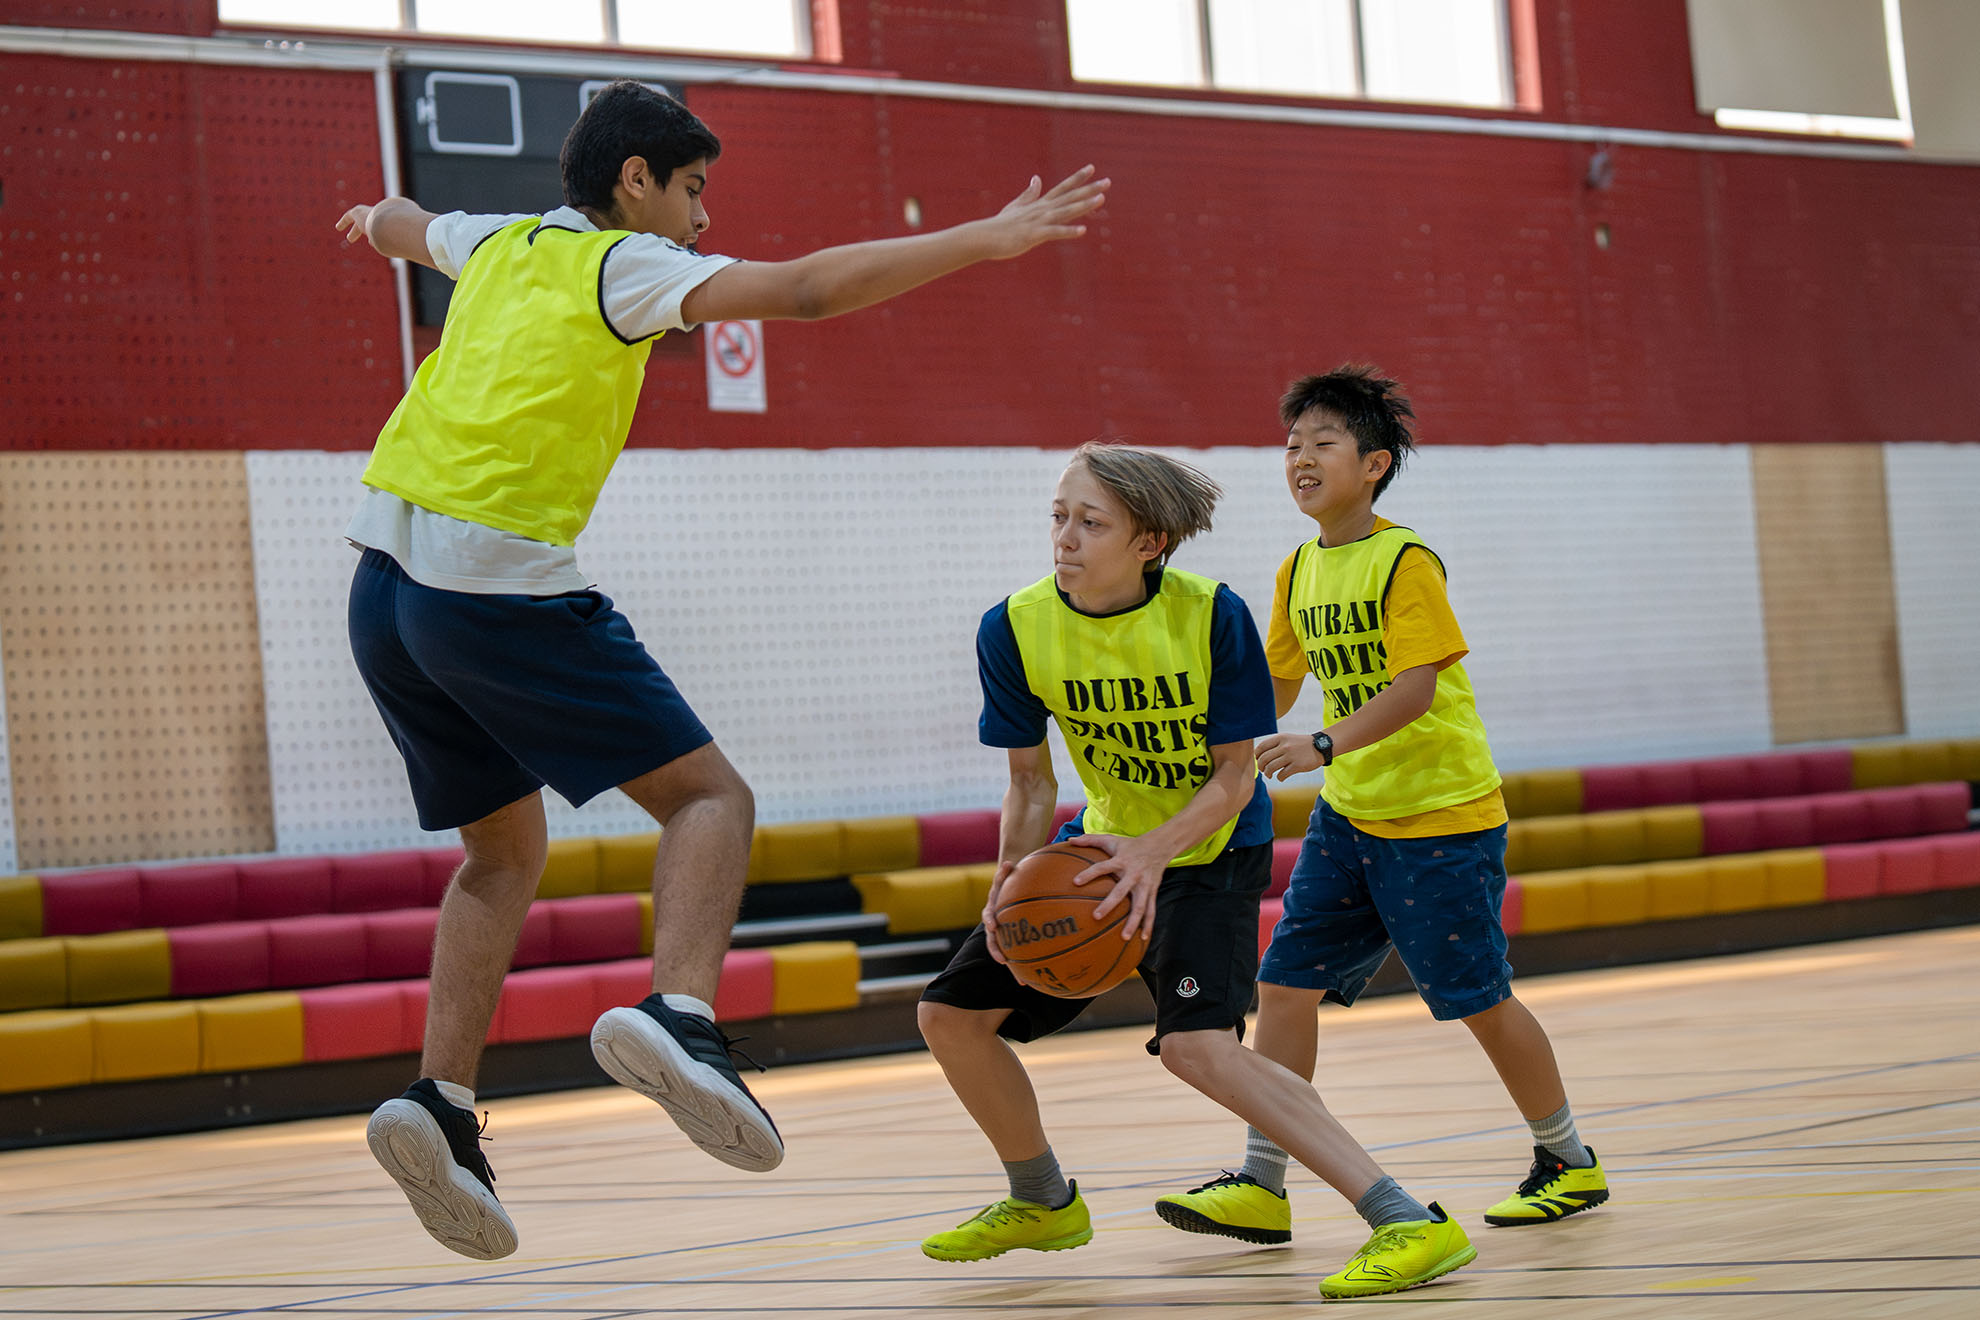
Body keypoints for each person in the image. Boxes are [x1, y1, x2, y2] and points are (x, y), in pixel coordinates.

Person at [333, 80, 1108, 1261]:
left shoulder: (497, 244)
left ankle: (438, 1101)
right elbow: (807, 290)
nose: (701, 217)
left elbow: (404, 222)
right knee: (711, 800)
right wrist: (986, 239)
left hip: (382, 593)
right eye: (691, 190)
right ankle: (680, 1014)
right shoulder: (623, 266)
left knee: (501, 852)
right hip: (489, 584)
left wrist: (370, 218)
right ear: (634, 180)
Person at [915, 442, 1476, 1301]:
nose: (1064, 537)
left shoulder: (1213, 615)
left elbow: (1235, 775)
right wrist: (1010, 874)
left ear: (1149, 543)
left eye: (1090, 523)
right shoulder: (1014, 626)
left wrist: (1155, 853)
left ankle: (1407, 1219)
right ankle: (1041, 1199)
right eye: (1059, 517)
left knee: (1197, 1048)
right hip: (1100, 850)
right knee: (951, 1017)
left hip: (1211, 849)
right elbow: (1030, 782)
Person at [1157, 366, 1610, 1251]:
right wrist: (1204, 745)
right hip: (1350, 818)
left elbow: (1414, 688)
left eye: (1322, 443)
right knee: (1283, 987)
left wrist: (1323, 745)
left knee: (1478, 999)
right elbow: (1276, 685)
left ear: (1374, 465)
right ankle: (1262, 1182)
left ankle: (1568, 1159)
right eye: (1292, 444)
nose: (1300, 458)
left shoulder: (1406, 561)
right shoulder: (1296, 569)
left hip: (1441, 816)